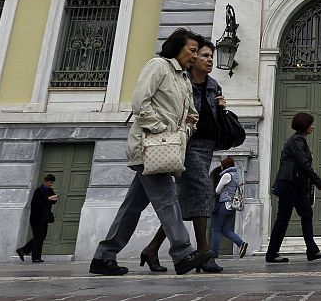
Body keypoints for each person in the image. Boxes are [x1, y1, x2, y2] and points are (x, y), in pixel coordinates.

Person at [89, 28, 207, 276]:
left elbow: (191, 115)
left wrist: (183, 133)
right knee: (167, 199)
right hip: (149, 148)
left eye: (197, 52)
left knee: (132, 207)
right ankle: (183, 251)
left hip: (166, 149)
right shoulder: (159, 66)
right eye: (192, 50)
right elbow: (139, 102)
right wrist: (161, 129)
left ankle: (104, 256)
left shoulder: (183, 78)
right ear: (177, 47)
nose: (195, 56)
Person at [142, 37, 228, 274]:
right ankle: (203, 252)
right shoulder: (181, 81)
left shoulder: (213, 85)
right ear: (193, 58)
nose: (210, 60)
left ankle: (152, 248)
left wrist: (222, 107)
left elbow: (214, 117)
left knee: (182, 200)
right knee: (202, 191)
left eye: (211, 56)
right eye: (204, 55)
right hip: (186, 143)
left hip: (207, 146)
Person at [265, 112, 321, 263]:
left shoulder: (299, 141)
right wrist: (319, 182)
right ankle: (272, 253)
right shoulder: (296, 141)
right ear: (304, 126)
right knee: (283, 219)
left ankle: (312, 250)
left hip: (297, 185)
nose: (313, 127)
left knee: (306, 213)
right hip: (289, 185)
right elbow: (303, 164)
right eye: (311, 124)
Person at [211, 156, 248, 258]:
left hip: (223, 205)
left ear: (226, 166)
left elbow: (217, 190)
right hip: (231, 207)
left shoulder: (226, 175)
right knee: (226, 230)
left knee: (216, 229)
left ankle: (214, 253)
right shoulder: (236, 175)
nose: (221, 168)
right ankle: (241, 244)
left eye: (222, 166)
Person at [16, 174, 58, 263]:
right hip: (36, 218)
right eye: (50, 182)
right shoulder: (38, 191)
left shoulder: (50, 190)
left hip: (45, 218)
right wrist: (48, 199)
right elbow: (36, 203)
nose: (51, 184)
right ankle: (35, 257)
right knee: (38, 237)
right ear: (45, 181)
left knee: (40, 237)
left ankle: (23, 250)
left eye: (52, 183)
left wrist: (54, 199)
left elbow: (52, 201)